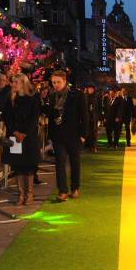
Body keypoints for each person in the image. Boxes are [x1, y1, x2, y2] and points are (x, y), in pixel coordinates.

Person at [47, 70, 88, 201]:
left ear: (65, 81)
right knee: (59, 163)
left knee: (75, 162)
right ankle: (62, 191)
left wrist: (83, 134)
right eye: (53, 82)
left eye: (58, 82)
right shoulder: (52, 96)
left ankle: (75, 188)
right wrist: (51, 135)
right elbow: (51, 116)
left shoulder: (77, 95)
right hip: (58, 136)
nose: (56, 85)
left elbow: (84, 116)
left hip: (74, 135)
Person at [1, 73, 41, 205]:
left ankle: (29, 194)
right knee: (18, 166)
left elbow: (35, 117)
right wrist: (15, 131)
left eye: (15, 82)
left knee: (29, 166)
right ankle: (21, 194)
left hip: (28, 137)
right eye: (12, 82)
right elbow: (7, 117)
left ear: (23, 83)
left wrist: (24, 133)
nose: (13, 85)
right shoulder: (11, 98)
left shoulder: (33, 97)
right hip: (15, 135)